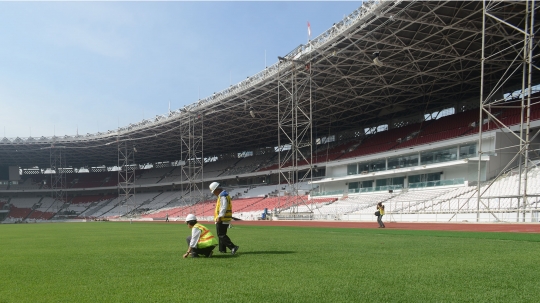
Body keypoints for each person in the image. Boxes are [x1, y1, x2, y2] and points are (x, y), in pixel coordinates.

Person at [209, 182, 239, 255]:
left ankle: (233, 247)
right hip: (224, 218)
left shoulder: (223, 196)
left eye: (214, 192)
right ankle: (222, 250)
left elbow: (223, 207)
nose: (214, 193)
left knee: (221, 235)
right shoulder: (223, 195)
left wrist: (219, 216)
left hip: (222, 218)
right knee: (221, 234)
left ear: (217, 190)